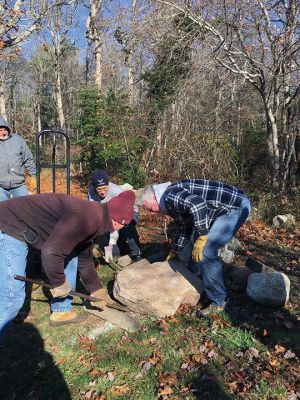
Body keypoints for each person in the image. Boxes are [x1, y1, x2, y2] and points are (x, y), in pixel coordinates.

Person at [0, 190, 135, 342]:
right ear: (118, 222)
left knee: (71, 255)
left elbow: (83, 257)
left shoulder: (96, 215)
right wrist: (58, 282)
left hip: (20, 224)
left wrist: (96, 290)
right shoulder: (87, 218)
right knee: (12, 298)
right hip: (8, 224)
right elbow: (51, 252)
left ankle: (61, 311)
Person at [135, 179, 251, 314]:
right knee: (191, 246)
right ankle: (198, 283)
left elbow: (198, 205)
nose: (152, 212)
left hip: (235, 207)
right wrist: (174, 250)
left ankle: (219, 300)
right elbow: (186, 226)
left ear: (154, 197)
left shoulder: (170, 195)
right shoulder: (170, 199)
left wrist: (202, 236)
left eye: (149, 208)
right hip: (222, 208)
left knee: (206, 250)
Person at [88, 169, 142, 262]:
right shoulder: (91, 191)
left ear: (108, 184)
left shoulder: (116, 192)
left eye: (105, 188)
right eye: (99, 189)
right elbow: (94, 210)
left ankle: (137, 254)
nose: (102, 192)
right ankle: (114, 253)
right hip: (109, 213)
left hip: (129, 211)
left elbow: (120, 217)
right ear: (94, 187)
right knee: (103, 227)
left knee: (127, 227)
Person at [0, 116, 37, 201]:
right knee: (3, 211)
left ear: (8, 129)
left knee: (22, 209)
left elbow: (28, 158)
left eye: (5, 130)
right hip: (0, 186)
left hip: (19, 185)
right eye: (0, 130)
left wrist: (33, 176)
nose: (3, 133)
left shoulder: (18, 140)